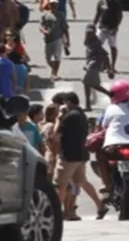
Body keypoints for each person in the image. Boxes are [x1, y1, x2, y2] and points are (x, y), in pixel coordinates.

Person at [53, 92, 108, 220]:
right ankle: (100, 206)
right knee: (81, 181)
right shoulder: (82, 115)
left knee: (60, 184)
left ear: (68, 102)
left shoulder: (69, 116)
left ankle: (54, 211)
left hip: (68, 156)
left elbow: (55, 135)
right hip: (81, 155)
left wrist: (59, 116)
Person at [96, 80, 129, 191]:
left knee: (100, 157)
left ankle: (107, 184)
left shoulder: (110, 109)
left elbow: (103, 125)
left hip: (112, 148)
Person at [93, 0, 123, 72]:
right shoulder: (101, 2)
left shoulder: (116, 3)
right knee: (97, 46)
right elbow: (98, 14)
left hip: (112, 28)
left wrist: (116, 27)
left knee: (112, 46)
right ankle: (103, 64)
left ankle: (113, 66)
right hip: (102, 27)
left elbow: (120, 16)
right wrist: (93, 24)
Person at [40, 0, 64, 80]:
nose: (54, 6)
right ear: (49, 5)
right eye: (53, 4)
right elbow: (41, 26)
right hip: (48, 40)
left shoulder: (60, 15)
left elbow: (65, 28)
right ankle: (54, 70)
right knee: (48, 58)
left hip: (57, 39)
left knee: (57, 57)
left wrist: (67, 40)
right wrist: (44, 31)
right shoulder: (45, 15)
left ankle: (54, 74)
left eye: (55, 4)